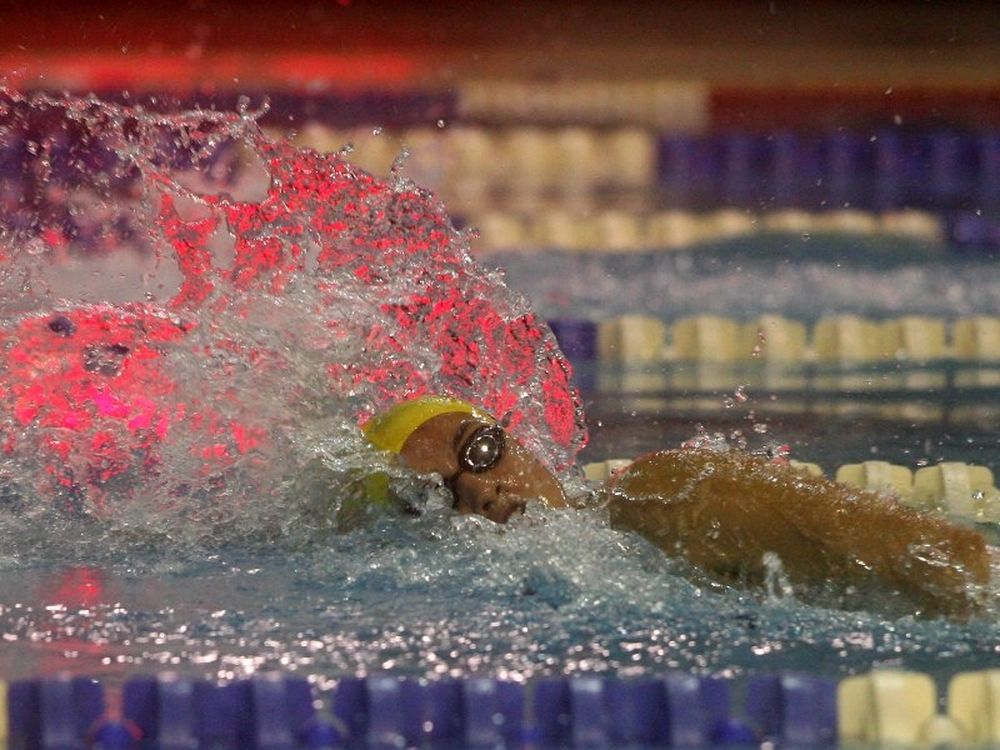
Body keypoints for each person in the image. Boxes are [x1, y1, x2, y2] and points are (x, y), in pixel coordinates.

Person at [364, 395, 991, 620]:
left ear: (520, 438)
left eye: (479, 450)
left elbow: (952, 561)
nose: (476, 490)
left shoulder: (666, 494)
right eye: (430, 496)